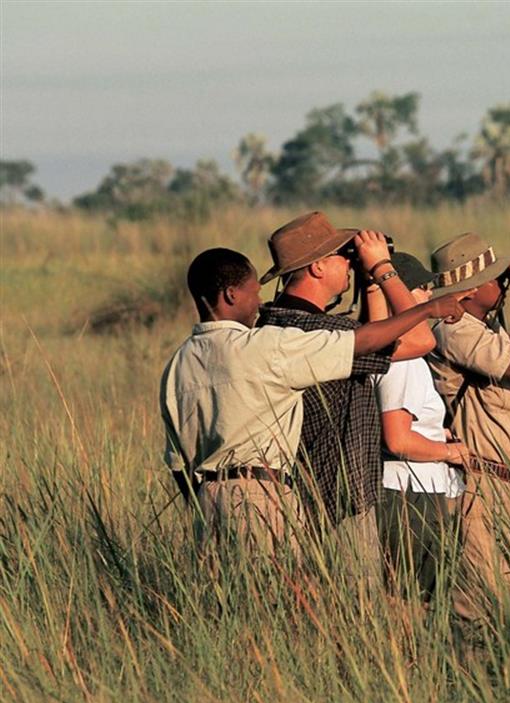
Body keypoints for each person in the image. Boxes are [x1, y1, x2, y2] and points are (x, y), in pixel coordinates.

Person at [159, 245, 466, 559]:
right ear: (231, 295)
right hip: (261, 493)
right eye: (253, 292)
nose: (259, 303)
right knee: (276, 599)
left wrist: (206, 502)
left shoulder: (178, 363)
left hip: (205, 501)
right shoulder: (264, 346)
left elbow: (178, 463)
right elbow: (370, 341)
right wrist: (420, 304)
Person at [254, 212, 440, 587]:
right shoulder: (322, 330)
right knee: (354, 616)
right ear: (319, 266)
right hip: (340, 499)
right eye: (343, 255)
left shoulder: (273, 324)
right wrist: (384, 269)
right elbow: (420, 338)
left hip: (288, 499)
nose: (350, 263)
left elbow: (368, 336)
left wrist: (369, 287)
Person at [425, 232, 510, 628]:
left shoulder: (484, 326)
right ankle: (469, 679)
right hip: (485, 489)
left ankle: (505, 677)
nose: (504, 281)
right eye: (494, 277)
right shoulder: (456, 331)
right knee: (481, 605)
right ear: (467, 293)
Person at [368, 253, 471, 601]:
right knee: (412, 601)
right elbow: (397, 439)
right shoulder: (404, 361)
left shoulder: (385, 350)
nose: (429, 295)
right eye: (423, 288)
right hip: (408, 494)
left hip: (406, 491)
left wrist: (434, 432)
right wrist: (450, 452)